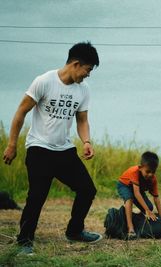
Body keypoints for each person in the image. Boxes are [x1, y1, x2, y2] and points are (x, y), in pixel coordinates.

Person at [2, 42, 102, 255]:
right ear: (76, 64)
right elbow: (21, 112)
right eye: (88, 70)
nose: (88, 75)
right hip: (39, 148)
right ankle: (24, 241)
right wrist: (12, 144)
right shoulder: (44, 81)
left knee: (87, 189)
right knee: (37, 195)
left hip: (64, 150)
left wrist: (86, 142)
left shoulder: (83, 89)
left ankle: (74, 231)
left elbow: (82, 120)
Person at [117, 151, 161, 240]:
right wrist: (147, 211)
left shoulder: (153, 179)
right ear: (141, 167)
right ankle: (130, 228)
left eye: (153, 172)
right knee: (129, 199)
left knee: (149, 207)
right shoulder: (134, 172)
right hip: (125, 185)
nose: (150, 174)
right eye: (148, 171)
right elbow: (136, 193)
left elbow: (156, 198)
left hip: (138, 189)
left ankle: (135, 218)